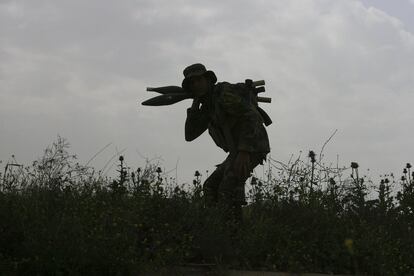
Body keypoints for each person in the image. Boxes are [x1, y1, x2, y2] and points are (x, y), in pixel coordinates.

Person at [182, 63, 270, 222]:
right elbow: (190, 135)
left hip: (253, 146)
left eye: (199, 80)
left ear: (208, 80)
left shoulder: (223, 94)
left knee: (227, 189)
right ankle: (217, 226)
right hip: (237, 151)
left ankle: (234, 234)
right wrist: (194, 105)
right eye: (192, 83)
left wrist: (244, 152)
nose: (196, 84)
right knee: (210, 186)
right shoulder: (207, 106)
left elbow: (251, 116)